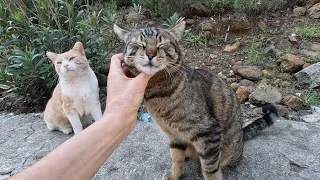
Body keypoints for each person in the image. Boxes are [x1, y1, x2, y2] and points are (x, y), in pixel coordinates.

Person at [11, 54, 153, 180]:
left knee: (94, 103)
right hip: (59, 120)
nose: (65, 64)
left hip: (88, 115)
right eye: (59, 63)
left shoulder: (90, 78)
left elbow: (95, 103)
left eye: (71, 58)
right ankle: (65, 127)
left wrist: (107, 121)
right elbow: (69, 109)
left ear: (82, 54)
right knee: (67, 115)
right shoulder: (64, 85)